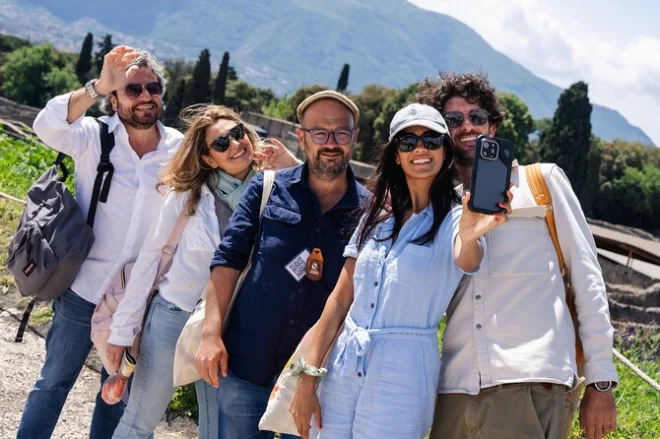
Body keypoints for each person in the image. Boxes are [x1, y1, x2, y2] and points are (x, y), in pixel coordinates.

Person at [289, 103, 512, 439]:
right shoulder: (376, 216)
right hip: (343, 364)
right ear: (396, 155)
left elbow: (468, 258)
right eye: (408, 142)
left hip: (403, 373)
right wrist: (308, 377)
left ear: (445, 151)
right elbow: (339, 300)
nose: (419, 149)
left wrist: (469, 235)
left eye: (431, 140)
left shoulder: (457, 219)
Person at [418, 72, 618, 439]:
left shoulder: (541, 182)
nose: (467, 126)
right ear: (442, 131)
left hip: (530, 382)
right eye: (454, 119)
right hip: (455, 389)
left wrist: (601, 382)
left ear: (492, 126)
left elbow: (588, 279)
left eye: (477, 117)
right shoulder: (437, 206)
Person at [103, 104, 300, 439]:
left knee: (217, 431)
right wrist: (123, 330)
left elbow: (316, 203)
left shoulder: (273, 191)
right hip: (175, 316)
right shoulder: (190, 193)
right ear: (208, 158)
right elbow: (149, 259)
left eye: (237, 133)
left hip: (230, 325)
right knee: (139, 421)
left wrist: (292, 165)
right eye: (221, 143)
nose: (235, 144)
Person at [18, 46, 184, 439]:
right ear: (114, 99)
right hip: (83, 288)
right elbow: (47, 126)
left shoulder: (179, 149)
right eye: (132, 89)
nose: (145, 96)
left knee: (116, 394)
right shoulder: (95, 135)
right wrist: (96, 86)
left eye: (153, 87)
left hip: (137, 300)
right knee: (53, 383)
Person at [195, 90, 371, 439]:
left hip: (315, 379)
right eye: (319, 132)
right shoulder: (266, 188)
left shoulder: (370, 213)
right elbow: (228, 260)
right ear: (302, 137)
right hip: (246, 363)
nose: (330, 143)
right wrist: (211, 334)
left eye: (340, 132)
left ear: (354, 138)